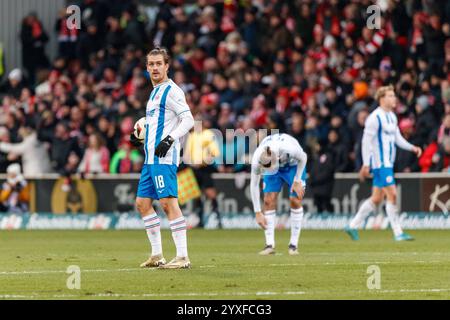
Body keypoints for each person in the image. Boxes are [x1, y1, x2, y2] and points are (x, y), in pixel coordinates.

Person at [129, 47, 194, 269]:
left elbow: (188, 120)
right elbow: (156, 123)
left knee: (167, 203)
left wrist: (169, 139)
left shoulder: (171, 91)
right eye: (151, 64)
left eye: (159, 63)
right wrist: (140, 137)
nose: (155, 68)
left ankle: (183, 257)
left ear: (167, 66)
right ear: (147, 68)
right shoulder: (155, 92)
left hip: (164, 158)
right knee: (143, 203)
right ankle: (157, 255)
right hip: (150, 159)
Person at [345, 85, 422, 241]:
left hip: (388, 163)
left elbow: (397, 138)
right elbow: (365, 142)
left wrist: (411, 147)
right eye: (390, 95)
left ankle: (352, 225)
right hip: (380, 164)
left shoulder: (392, 116)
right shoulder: (374, 117)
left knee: (377, 198)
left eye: (394, 95)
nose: (394, 98)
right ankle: (398, 232)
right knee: (392, 194)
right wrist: (366, 164)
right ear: (382, 99)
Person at [250, 133, 307, 256]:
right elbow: (254, 184)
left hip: (294, 166)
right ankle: (269, 245)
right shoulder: (257, 158)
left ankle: (293, 245)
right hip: (277, 165)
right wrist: (257, 212)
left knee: (295, 200)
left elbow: (303, 157)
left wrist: (297, 181)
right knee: (268, 200)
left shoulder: (289, 148)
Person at [183, 115, 222, 228]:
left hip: (205, 168)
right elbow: (186, 155)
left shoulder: (208, 135)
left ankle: (217, 219)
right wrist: (192, 163)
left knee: (210, 193)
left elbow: (214, 152)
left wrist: (204, 161)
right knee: (197, 195)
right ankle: (200, 221)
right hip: (194, 169)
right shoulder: (192, 136)